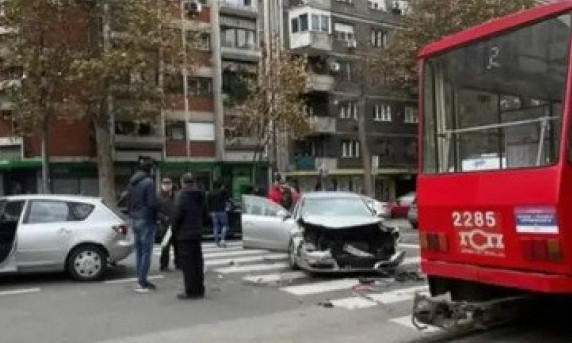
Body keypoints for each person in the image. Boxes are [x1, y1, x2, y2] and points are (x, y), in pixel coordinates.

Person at [172, 172, 206, 300]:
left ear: (183, 182)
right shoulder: (200, 194)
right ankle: (200, 288)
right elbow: (204, 212)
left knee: (188, 264)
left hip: (184, 234)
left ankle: (191, 290)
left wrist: (174, 231)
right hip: (196, 232)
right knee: (198, 261)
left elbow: (177, 215)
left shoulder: (181, 196)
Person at [127, 158, 158, 293]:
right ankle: (143, 281)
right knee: (146, 251)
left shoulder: (132, 183)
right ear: (150, 170)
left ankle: (141, 278)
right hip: (146, 219)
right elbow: (152, 204)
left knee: (139, 251)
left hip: (135, 218)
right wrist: (156, 219)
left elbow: (128, 202)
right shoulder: (149, 183)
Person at [158, 178, 178, 271]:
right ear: (162, 185)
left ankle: (178, 263)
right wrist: (163, 218)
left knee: (177, 245)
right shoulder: (158, 196)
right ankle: (163, 265)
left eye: (168, 184)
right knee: (165, 246)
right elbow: (156, 211)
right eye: (165, 184)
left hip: (175, 223)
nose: (167, 186)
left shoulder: (175, 195)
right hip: (165, 225)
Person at [208, 182, 230, 248]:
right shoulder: (222, 192)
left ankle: (216, 242)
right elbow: (227, 198)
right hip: (221, 211)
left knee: (216, 227)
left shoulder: (210, 193)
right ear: (221, 186)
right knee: (224, 225)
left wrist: (209, 211)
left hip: (213, 212)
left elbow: (208, 202)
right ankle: (222, 240)